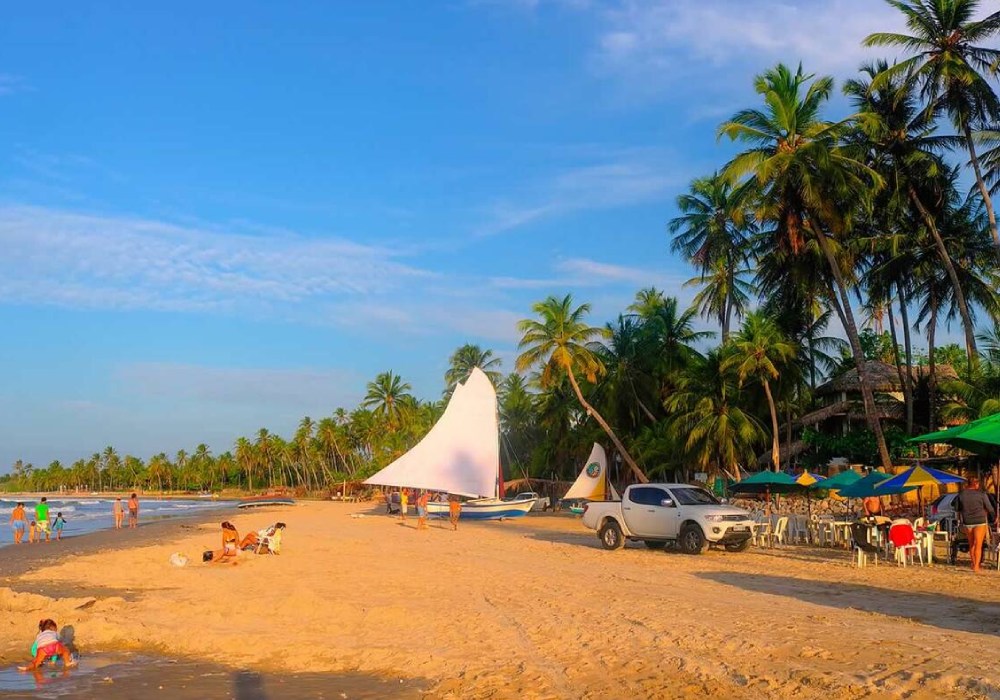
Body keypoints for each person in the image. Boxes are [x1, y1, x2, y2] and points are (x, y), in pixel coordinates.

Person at [954, 477, 996, 573]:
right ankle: (977, 566)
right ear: (976, 484)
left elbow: (956, 507)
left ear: (968, 484)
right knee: (978, 545)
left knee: (971, 544)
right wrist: (994, 517)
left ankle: (973, 564)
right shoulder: (981, 494)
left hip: (967, 521)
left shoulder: (961, 494)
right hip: (980, 521)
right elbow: (990, 508)